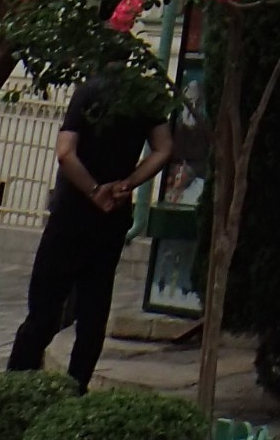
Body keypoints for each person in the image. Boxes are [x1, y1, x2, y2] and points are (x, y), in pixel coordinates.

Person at [9, 70, 175, 392]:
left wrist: (93, 189)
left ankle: (17, 387)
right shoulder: (146, 94)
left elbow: (65, 152)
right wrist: (127, 184)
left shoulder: (87, 91)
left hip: (71, 214)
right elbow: (163, 148)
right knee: (93, 312)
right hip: (113, 216)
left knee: (44, 307)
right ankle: (76, 390)